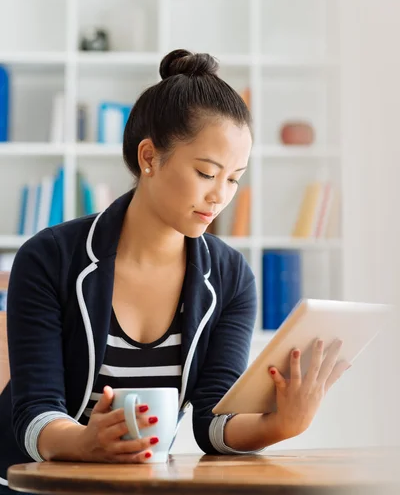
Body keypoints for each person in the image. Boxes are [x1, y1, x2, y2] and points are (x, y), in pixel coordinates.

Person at [0, 49, 348, 493]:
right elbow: (34, 415)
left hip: (143, 485)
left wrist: (281, 423)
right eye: (207, 172)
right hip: (32, 484)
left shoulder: (230, 277)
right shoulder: (48, 258)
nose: (220, 196)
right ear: (149, 157)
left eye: (234, 178)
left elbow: (212, 421)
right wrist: (86, 441)